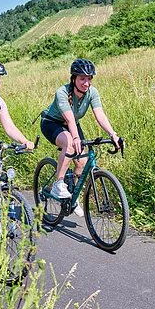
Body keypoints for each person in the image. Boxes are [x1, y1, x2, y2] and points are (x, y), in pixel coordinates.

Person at [40, 59, 120, 217]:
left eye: (89, 78)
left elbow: (100, 115)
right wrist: (75, 138)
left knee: (82, 162)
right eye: (82, 78)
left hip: (72, 125)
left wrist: (113, 134)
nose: (86, 82)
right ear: (73, 78)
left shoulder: (92, 92)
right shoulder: (62, 92)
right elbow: (69, 119)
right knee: (70, 144)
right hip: (52, 123)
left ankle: (73, 198)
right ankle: (58, 183)